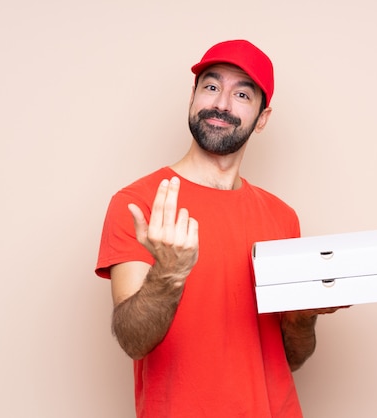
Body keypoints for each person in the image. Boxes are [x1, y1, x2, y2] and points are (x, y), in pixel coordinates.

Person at [95, 39, 347, 417]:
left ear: (262, 118)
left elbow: (290, 357)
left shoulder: (282, 217)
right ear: (193, 98)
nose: (222, 104)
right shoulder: (140, 203)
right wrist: (169, 274)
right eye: (211, 87)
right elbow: (134, 341)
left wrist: (303, 315)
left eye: (242, 94)